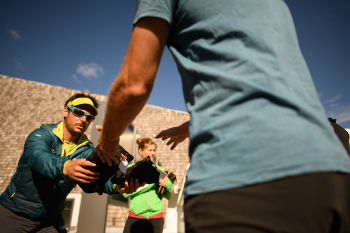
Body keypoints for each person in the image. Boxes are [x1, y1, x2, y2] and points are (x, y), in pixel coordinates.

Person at [98, 1, 350, 232]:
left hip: (244, 173)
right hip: (331, 170)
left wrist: (109, 140)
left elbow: (134, 85)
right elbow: (259, 89)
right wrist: (187, 127)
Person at [0, 93, 138, 233]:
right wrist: (65, 167)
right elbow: (38, 157)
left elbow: (95, 179)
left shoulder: (88, 150)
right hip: (13, 213)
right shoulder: (41, 135)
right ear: (65, 111)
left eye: (89, 117)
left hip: (50, 219)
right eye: (78, 112)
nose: (84, 119)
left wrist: (118, 185)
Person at [122, 137, 173, 233]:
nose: (152, 153)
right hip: (136, 216)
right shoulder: (131, 169)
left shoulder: (159, 170)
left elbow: (169, 195)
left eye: (154, 150)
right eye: (150, 150)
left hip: (156, 217)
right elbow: (125, 193)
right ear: (140, 151)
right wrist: (152, 183)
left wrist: (168, 184)